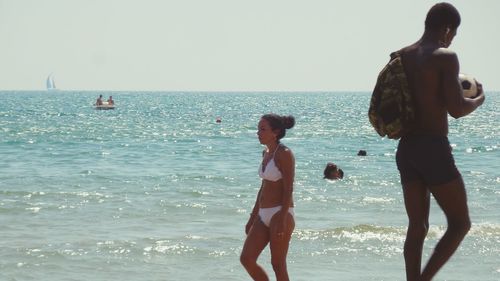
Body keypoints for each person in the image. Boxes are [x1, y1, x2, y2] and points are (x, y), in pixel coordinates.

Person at [393, 3, 485, 281]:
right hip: (433, 147)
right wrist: (479, 99)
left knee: (417, 226)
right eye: (453, 34)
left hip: (406, 148)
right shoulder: (445, 57)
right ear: (447, 28)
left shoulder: (401, 56)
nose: (451, 39)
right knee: (460, 223)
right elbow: (456, 109)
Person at [240, 113, 296, 281]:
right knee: (247, 259)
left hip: (281, 212)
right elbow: (263, 187)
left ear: (276, 132)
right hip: (263, 215)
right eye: (258, 129)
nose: (258, 132)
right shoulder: (266, 153)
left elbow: (288, 188)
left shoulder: (284, 153)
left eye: (263, 129)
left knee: (278, 265)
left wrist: (282, 218)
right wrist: (252, 216)